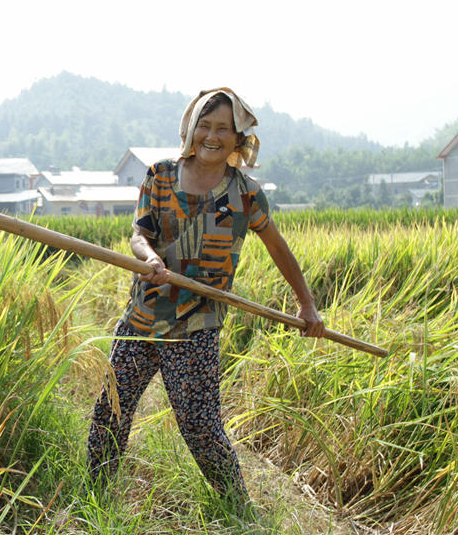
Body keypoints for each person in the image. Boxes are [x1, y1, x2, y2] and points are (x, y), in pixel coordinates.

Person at [86, 87, 326, 504]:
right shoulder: (160, 175)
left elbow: (278, 248)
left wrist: (306, 304)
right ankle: (94, 497)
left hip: (197, 324)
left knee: (200, 425)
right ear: (190, 129)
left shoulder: (245, 193)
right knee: (111, 412)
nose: (211, 136)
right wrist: (149, 259)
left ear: (238, 140)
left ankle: (237, 506)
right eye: (204, 125)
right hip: (143, 318)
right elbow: (139, 234)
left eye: (222, 129)